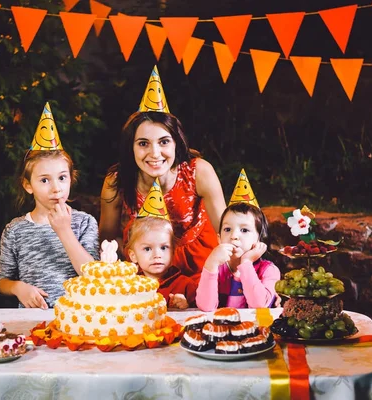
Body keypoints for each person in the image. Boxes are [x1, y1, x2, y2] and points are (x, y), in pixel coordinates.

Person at [99, 67, 226, 283]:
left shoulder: (199, 172)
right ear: (131, 147)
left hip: (200, 265)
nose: (154, 153)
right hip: (147, 267)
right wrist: (132, 261)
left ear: (177, 143)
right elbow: (108, 240)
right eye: (143, 144)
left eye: (164, 142)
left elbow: (227, 230)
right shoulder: (116, 181)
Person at [0, 103, 99, 309]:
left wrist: (64, 231)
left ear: (71, 178)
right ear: (27, 185)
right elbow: (1, 281)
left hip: (79, 318)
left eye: (62, 178)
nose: (56, 188)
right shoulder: (15, 230)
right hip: (31, 320)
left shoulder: (84, 222)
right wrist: (17, 287)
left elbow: (93, 277)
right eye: (44, 180)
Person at [195, 202, 280, 311]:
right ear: (219, 239)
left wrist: (246, 263)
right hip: (222, 327)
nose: (234, 236)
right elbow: (206, 307)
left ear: (259, 239)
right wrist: (211, 264)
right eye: (227, 229)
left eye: (244, 230)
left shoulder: (268, 270)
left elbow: (259, 306)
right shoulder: (216, 269)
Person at [125, 216, 198, 309]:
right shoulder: (129, 286)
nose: (157, 255)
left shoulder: (186, 285)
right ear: (133, 256)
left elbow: (200, 315)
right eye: (147, 249)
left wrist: (186, 307)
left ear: (173, 251)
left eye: (163, 248)